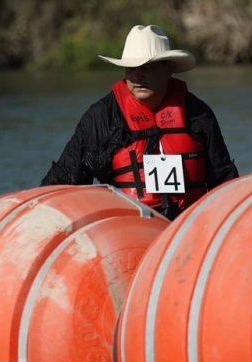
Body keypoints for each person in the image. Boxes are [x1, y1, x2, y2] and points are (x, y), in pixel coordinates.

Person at [40, 25, 238, 219]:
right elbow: (64, 180)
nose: (137, 76)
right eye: (131, 68)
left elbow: (224, 181)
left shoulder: (198, 114)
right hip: (130, 232)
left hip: (188, 229)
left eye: (147, 67)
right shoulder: (103, 117)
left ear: (168, 69)